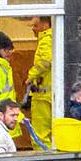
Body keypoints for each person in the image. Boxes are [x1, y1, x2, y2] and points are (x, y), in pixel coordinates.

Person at [23, 16, 54, 144]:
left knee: (40, 135)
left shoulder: (46, 40)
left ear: (45, 25)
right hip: (47, 94)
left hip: (42, 96)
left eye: (35, 26)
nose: (33, 29)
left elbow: (45, 61)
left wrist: (31, 76)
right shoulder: (54, 38)